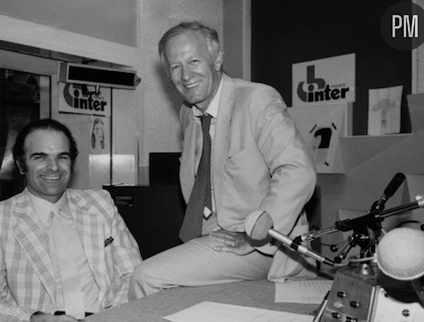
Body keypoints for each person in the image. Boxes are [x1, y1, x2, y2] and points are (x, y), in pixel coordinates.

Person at [129, 21, 318, 300]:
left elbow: (298, 171)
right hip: (214, 233)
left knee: (146, 276)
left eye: (194, 60)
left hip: (265, 246)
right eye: (175, 67)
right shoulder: (188, 114)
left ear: (217, 59)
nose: (185, 75)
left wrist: (252, 236)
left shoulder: (256, 99)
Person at [0, 118, 142, 322]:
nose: (54, 167)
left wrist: (110, 315)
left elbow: (132, 274)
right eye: (40, 157)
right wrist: (38, 320)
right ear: (22, 164)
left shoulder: (100, 204)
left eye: (62, 157)